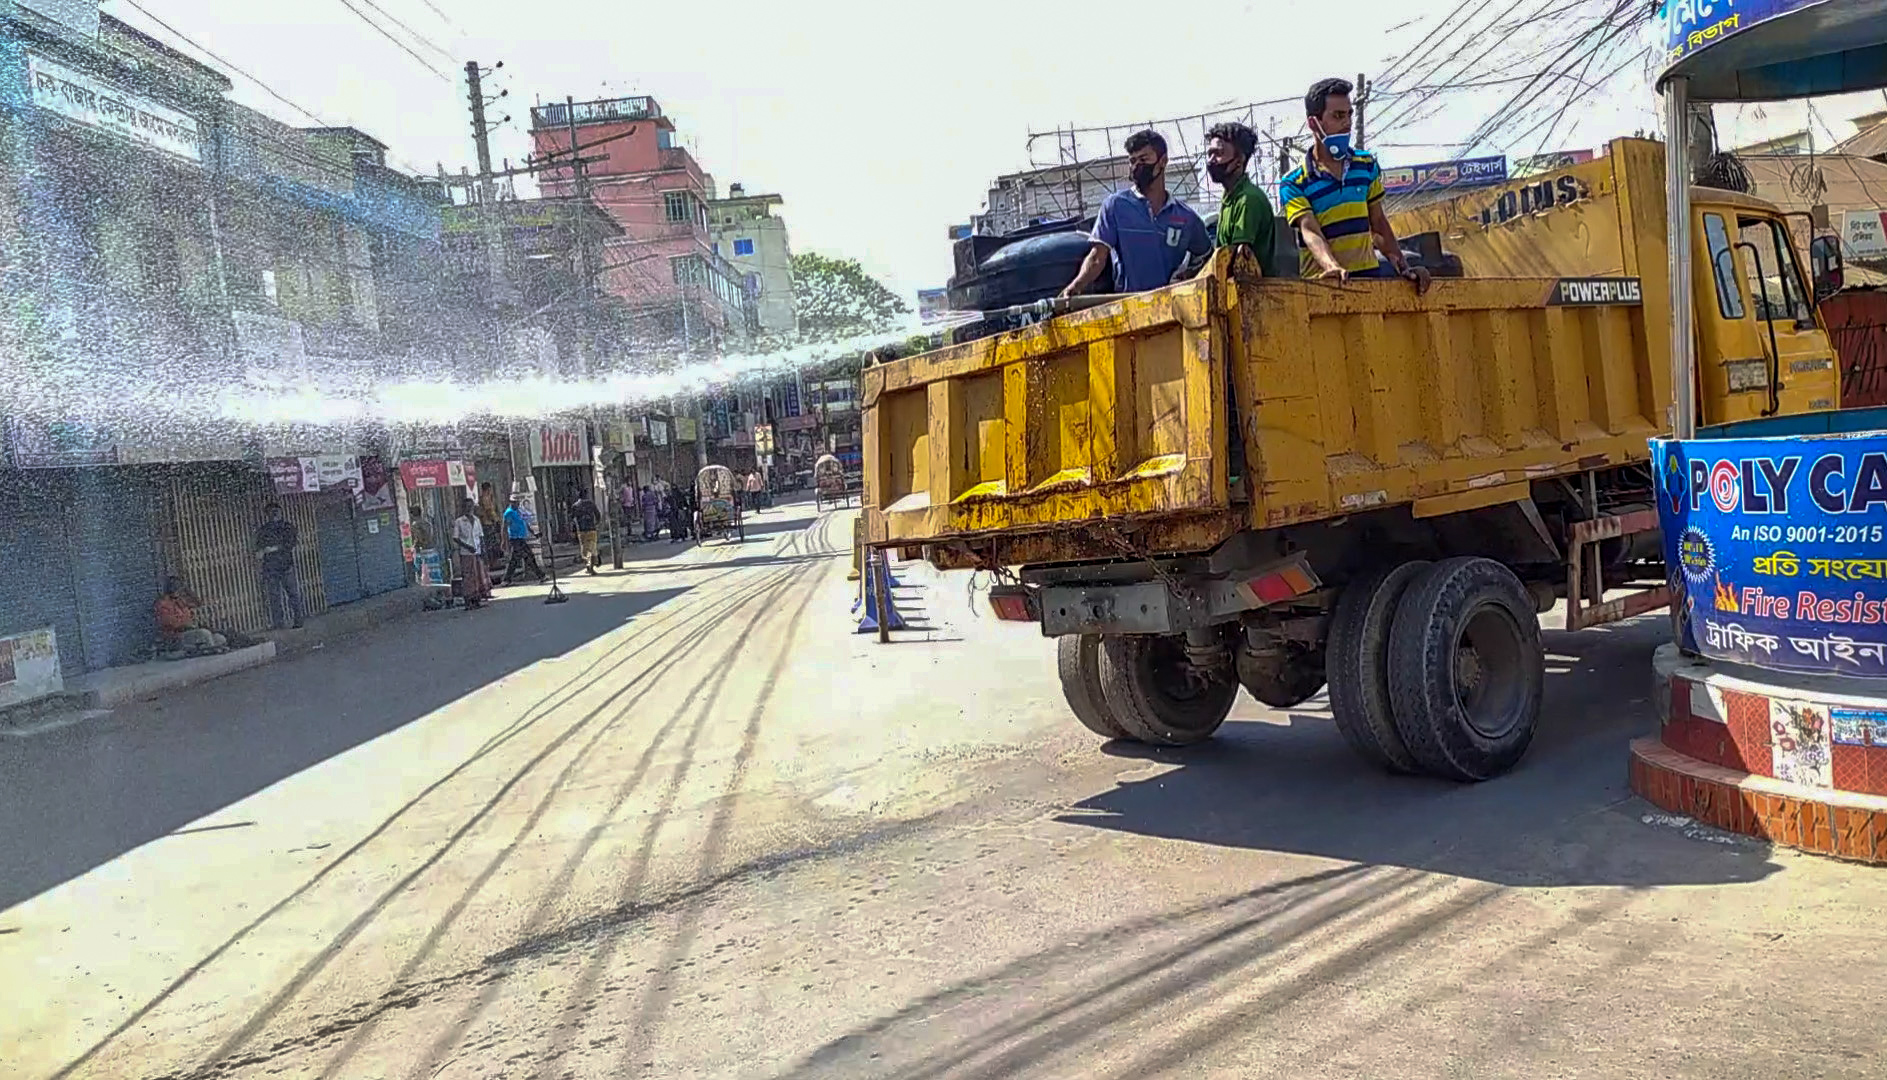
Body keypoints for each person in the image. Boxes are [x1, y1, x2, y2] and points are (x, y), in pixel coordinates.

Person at [1278, 77, 1431, 292]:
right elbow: (1310, 231)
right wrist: (1332, 267)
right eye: (1338, 116)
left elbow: (1378, 223)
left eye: (1349, 114)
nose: (1347, 123)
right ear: (1314, 123)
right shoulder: (1294, 182)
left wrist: (1403, 266)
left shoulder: (1366, 165)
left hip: (1367, 283)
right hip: (1321, 287)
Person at [1060, 129, 1212, 298]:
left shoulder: (1185, 217)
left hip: (1171, 306)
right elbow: (1097, 257)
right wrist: (1076, 286)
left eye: (1143, 159)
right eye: (1132, 161)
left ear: (1163, 161)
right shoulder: (1116, 206)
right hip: (1128, 304)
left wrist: (1189, 274)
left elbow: (1207, 256)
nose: (1136, 166)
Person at [1205, 121, 1280, 278]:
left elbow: (1238, 261)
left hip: (1253, 290)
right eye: (1209, 153)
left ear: (1239, 160)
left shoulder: (1248, 200)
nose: (1211, 160)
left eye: (1218, 154)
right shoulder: (1230, 197)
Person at [254, 503, 304, 630]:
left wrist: (273, 549)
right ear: (267, 515)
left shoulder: (287, 527)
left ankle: (298, 619)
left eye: (276, 511)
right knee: (275, 597)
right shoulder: (264, 530)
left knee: (292, 594)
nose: (274, 514)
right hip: (272, 568)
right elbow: (259, 547)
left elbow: (291, 543)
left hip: (285, 566)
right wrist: (261, 553)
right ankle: (279, 623)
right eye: (271, 512)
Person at [155, 578, 227, 655]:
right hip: (176, 637)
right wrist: (186, 624)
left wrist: (188, 592)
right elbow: (172, 624)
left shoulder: (179, 601)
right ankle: (211, 651)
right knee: (204, 633)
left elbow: (197, 603)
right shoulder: (162, 605)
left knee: (219, 638)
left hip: (189, 632)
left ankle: (207, 648)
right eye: (177, 590)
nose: (179, 592)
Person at [452, 498, 491, 608]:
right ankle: (468, 600)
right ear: (463, 508)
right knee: (468, 576)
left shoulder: (477, 520)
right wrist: (467, 546)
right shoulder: (459, 521)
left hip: (477, 551)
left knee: (477, 575)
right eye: (467, 506)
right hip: (466, 553)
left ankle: (477, 599)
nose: (469, 508)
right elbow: (455, 538)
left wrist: (483, 551)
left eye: (471, 506)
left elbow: (481, 536)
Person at [502, 495, 547, 585]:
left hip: (521, 538)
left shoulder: (519, 511)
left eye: (518, 502)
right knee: (527, 557)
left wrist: (534, 533)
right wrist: (504, 541)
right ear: (511, 502)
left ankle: (506, 580)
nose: (517, 504)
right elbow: (504, 527)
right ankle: (541, 575)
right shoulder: (509, 513)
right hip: (515, 539)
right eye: (515, 502)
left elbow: (525, 523)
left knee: (516, 560)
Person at [570, 489, 601, 574]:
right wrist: (596, 524)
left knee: (584, 549)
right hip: (591, 529)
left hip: (581, 530)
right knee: (592, 548)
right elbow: (598, 515)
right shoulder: (591, 504)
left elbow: (572, 520)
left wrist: (573, 531)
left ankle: (588, 566)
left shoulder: (575, 506)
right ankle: (591, 567)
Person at [477, 482, 504, 571]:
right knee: (492, 544)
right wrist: (496, 520)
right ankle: (493, 563)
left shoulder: (483, 498)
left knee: (490, 543)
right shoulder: (486, 498)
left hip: (486, 523)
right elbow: (489, 511)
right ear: (488, 489)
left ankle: (491, 562)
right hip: (488, 523)